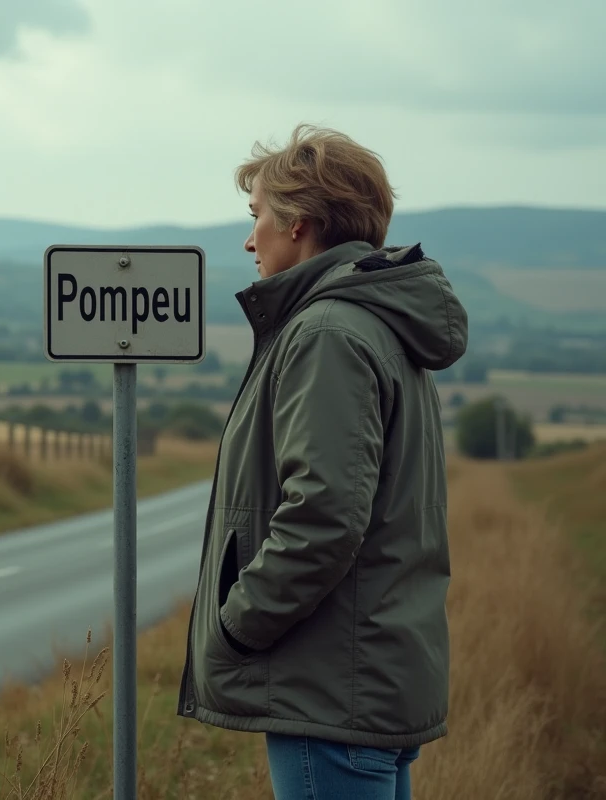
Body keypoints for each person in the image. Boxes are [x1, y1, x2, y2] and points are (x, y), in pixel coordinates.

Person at [176, 123, 468, 799]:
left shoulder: (329, 331)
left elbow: (326, 513)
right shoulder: (373, 322)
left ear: (299, 223)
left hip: (330, 689)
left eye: (258, 218)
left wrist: (239, 625)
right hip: (364, 680)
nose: (251, 240)